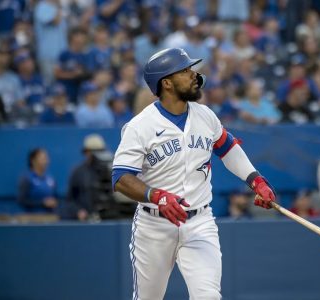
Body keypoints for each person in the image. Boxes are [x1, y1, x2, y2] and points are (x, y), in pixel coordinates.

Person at [112, 48, 276, 299]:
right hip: (154, 224)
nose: (193, 74)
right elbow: (121, 178)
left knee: (208, 296)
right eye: (185, 70)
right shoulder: (139, 126)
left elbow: (228, 148)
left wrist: (255, 179)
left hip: (199, 221)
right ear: (166, 83)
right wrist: (157, 196)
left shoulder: (205, 115)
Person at [64, 134, 111, 221]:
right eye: (94, 152)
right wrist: (78, 211)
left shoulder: (109, 172)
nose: (97, 155)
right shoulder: (78, 172)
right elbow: (70, 200)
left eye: (100, 151)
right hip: (85, 220)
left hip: (107, 219)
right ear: (86, 152)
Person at [18, 148, 58, 213]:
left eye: (47, 158)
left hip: (50, 218)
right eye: (43, 159)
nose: (46, 161)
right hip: (33, 219)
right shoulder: (27, 178)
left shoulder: (51, 179)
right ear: (33, 160)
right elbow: (22, 200)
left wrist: (54, 202)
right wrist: (42, 203)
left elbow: (55, 197)